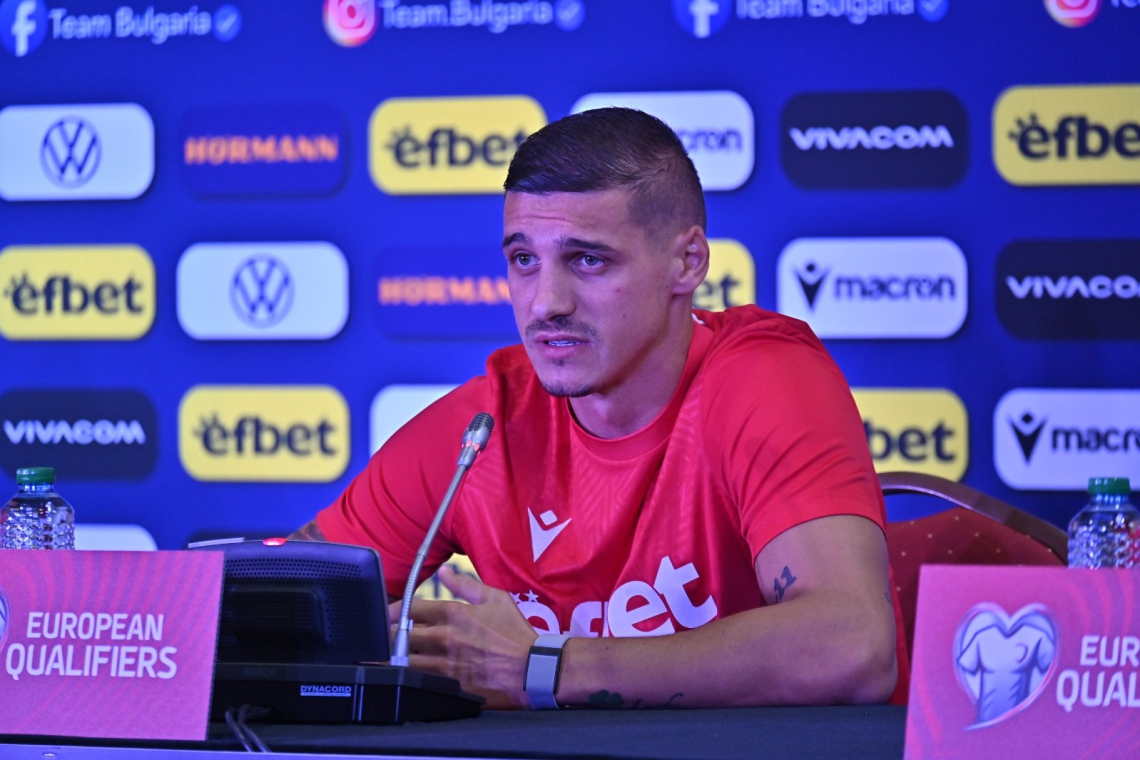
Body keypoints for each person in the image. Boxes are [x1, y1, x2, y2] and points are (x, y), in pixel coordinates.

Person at [293, 107, 908, 709]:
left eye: (588, 260)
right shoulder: (478, 431)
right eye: (524, 260)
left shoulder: (761, 381)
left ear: (687, 262)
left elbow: (853, 648)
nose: (545, 303)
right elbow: (282, 607)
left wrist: (545, 666)